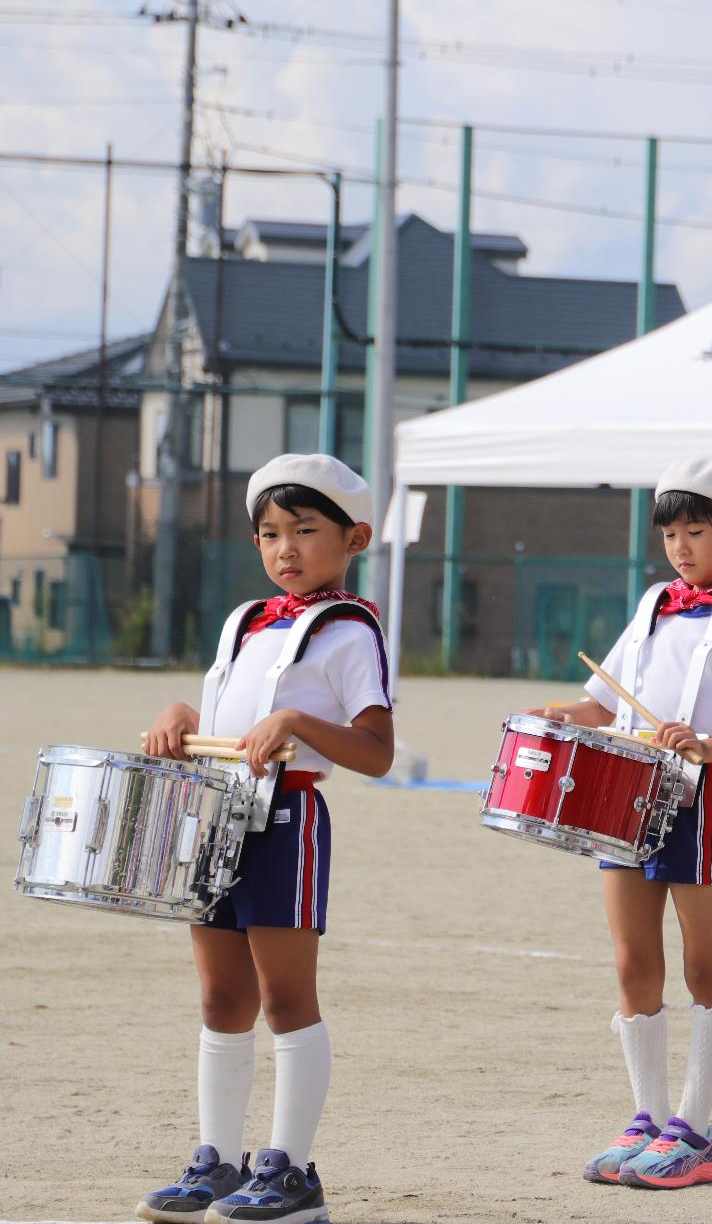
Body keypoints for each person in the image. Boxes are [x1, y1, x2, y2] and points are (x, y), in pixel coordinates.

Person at [137, 453, 395, 1224]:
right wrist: (183, 714)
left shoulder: (352, 627)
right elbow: (225, 719)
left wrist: (298, 724)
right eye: (270, 533)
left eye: (305, 531)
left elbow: (377, 750)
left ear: (355, 537)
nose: (285, 548)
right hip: (211, 818)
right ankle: (217, 1160)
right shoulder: (244, 619)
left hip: (286, 821)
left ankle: (292, 1173)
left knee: (286, 999)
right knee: (221, 997)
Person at [539, 455, 712, 1193]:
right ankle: (648, 1116)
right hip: (625, 791)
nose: (680, 546)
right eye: (671, 533)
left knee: (703, 966)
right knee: (631, 960)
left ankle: (696, 1126)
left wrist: (710, 745)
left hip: (702, 794)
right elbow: (606, 702)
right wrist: (559, 714)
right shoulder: (655, 601)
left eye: (696, 530)